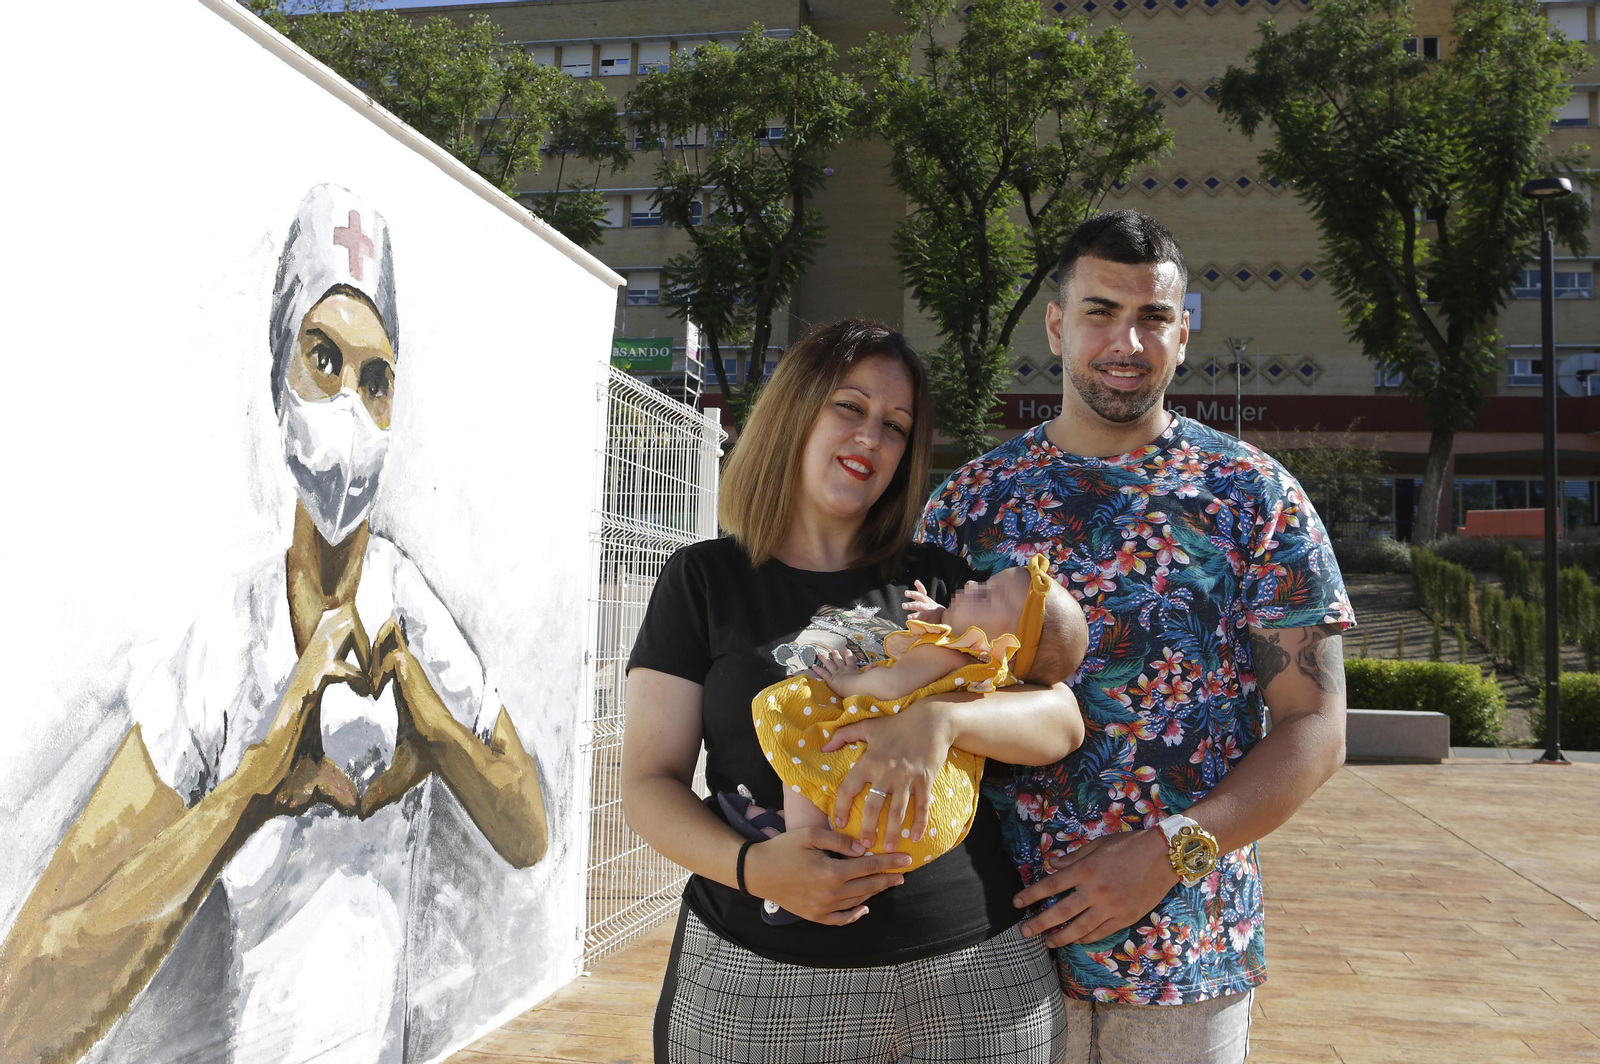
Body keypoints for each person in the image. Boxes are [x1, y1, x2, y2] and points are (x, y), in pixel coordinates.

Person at [0, 184, 549, 1064]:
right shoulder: (226, 641)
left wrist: (436, 729)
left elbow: (529, 832)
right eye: (322, 360)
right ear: (276, 376)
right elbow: (22, 1009)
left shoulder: (406, 611)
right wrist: (252, 790)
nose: (348, 408)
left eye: (375, 381)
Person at [920, 209, 1354, 1064]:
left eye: (1152, 316)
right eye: (1099, 311)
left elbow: (1318, 726)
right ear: (1056, 325)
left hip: (1184, 964)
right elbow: (917, 686)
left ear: (1183, 333)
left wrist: (1167, 854)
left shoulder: (1253, 495)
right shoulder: (971, 503)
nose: (1127, 340)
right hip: (985, 953)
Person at [622, 319, 1086, 1064]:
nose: (872, 437)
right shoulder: (703, 580)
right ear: (795, 411)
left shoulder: (937, 583)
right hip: (764, 985)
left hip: (974, 981)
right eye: (850, 407)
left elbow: (1061, 721)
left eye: (896, 426)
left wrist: (937, 720)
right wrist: (754, 868)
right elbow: (648, 784)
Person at [747, 554, 1086, 873]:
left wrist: (845, 679)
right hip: (930, 821)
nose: (970, 586)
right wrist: (942, 616)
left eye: (984, 596)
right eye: (982, 583)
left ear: (995, 645)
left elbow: (892, 686)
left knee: (808, 740)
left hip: (885, 786)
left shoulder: (946, 653)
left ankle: (799, 843)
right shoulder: (986, 674)